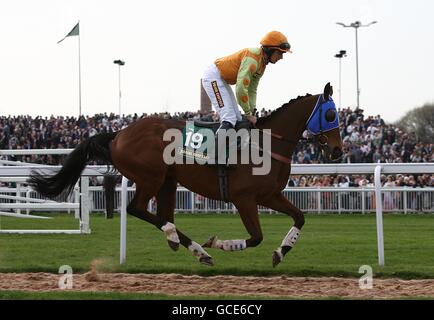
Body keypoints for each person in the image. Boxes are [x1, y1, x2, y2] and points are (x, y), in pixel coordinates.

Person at [201, 31, 292, 164]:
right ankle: (212, 156)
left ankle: (231, 152)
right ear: (270, 50)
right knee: (229, 117)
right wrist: (248, 113)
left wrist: (253, 110)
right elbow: (240, 89)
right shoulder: (253, 60)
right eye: (280, 53)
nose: (281, 57)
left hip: (222, 79)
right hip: (213, 77)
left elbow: (252, 89)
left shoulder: (262, 64)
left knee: (237, 118)